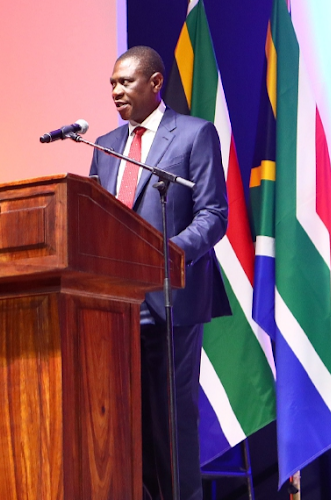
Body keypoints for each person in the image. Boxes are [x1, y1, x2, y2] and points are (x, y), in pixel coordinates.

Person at [89, 45, 230, 500]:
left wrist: (165, 252)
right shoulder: (106, 146)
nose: (115, 91)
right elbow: (96, 220)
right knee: (126, 421)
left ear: (154, 83)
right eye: (111, 83)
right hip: (117, 304)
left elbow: (213, 215)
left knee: (170, 420)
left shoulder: (193, 135)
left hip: (171, 298)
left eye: (124, 82)